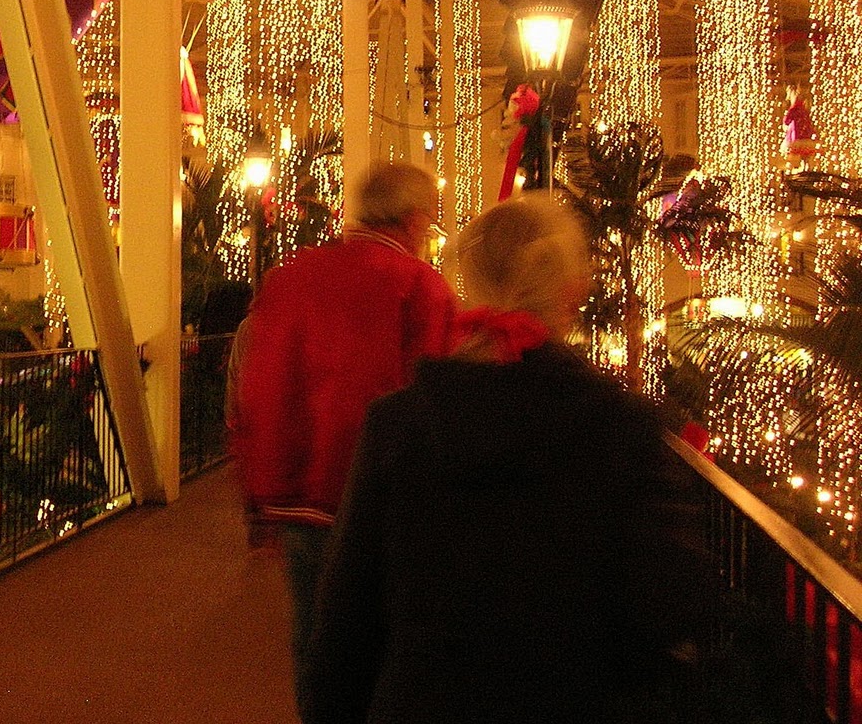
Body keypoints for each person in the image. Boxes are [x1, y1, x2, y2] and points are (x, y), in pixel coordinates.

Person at [304, 193, 708, 724]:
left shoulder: (400, 425)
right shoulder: (619, 426)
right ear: (570, 292)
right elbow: (667, 606)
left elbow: (345, 623)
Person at [227, 161, 461, 717]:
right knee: (390, 644)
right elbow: (435, 400)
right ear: (412, 219)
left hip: (304, 502)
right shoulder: (419, 287)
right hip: (385, 502)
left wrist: (260, 495)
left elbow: (259, 390)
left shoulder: (293, 276)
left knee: (316, 638)